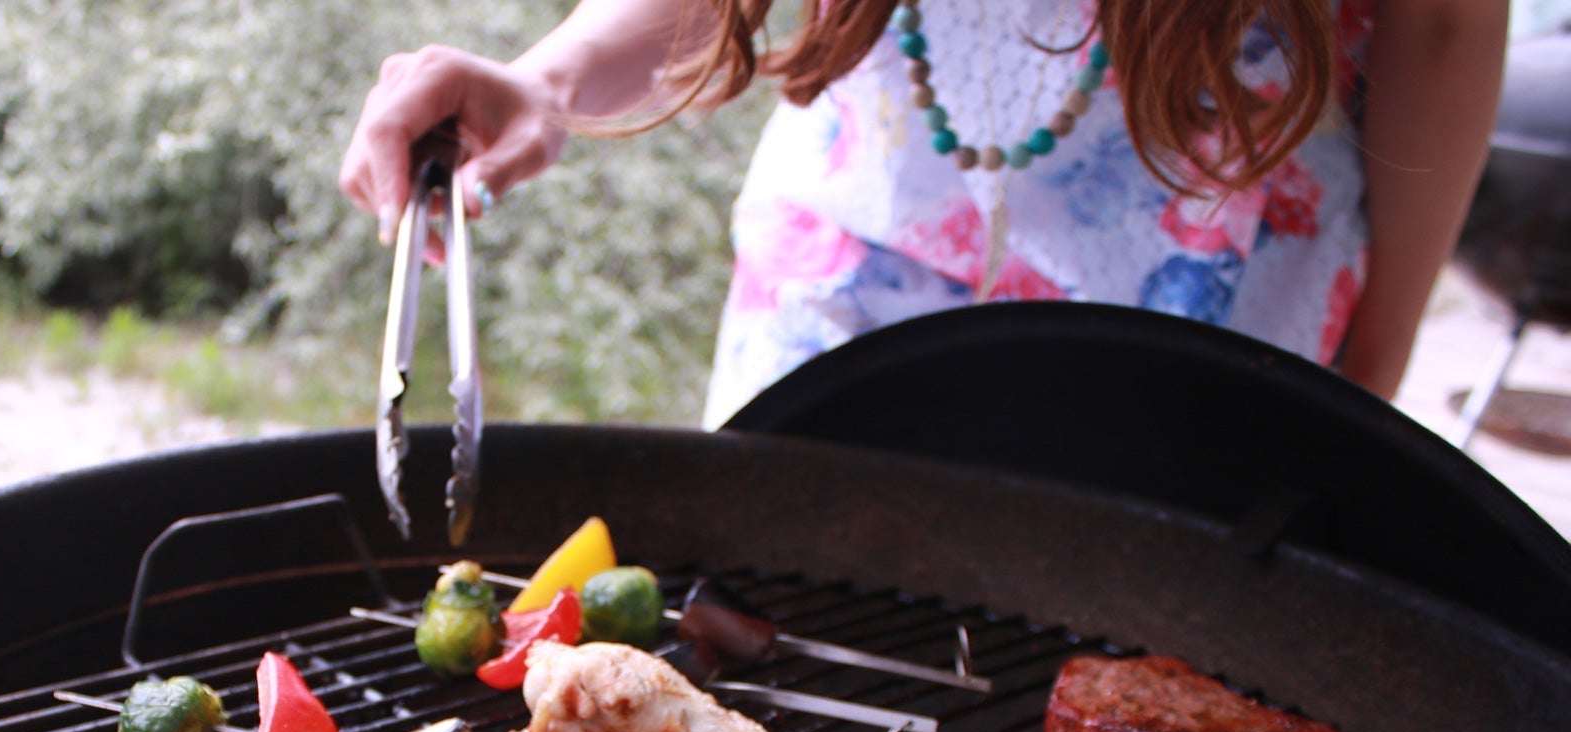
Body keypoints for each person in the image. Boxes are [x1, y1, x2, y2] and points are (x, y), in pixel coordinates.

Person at [338, 0, 1507, 425]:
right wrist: (548, 77)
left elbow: (1447, 22)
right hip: (851, 258)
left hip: (1200, 290)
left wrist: (1379, 354)